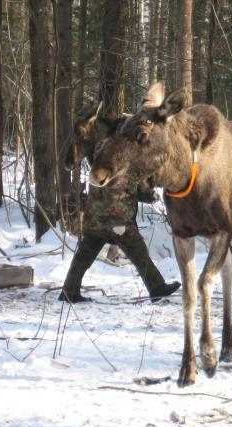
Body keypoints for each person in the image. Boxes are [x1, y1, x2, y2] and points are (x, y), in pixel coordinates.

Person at [58, 103, 180, 303]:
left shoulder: (99, 148)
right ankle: (157, 287)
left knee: (84, 254)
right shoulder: (116, 152)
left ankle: (69, 291)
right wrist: (144, 193)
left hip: (95, 214)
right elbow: (124, 182)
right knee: (138, 251)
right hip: (117, 213)